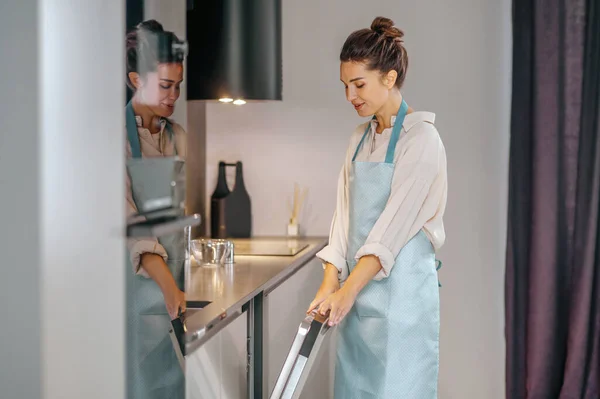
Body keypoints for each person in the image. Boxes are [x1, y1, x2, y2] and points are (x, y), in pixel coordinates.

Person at [307, 16, 447, 398]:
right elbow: (344, 218)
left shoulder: (421, 139)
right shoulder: (359, 139)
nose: (351, 96)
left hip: (400, 302)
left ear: (389, 78)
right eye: (345, 86)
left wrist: (347, 291)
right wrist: (329, 283)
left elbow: (391, 230)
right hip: (356, 298)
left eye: (359, 84)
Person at [125, 20, 187, 399]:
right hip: (135, 293)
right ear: (136, 79)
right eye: (165, 86)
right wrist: (169, 287)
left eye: (178, 85)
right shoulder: (113, 138)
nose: (174, 95)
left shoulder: (176, 136)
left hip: (173, 289)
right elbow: (131, 226)